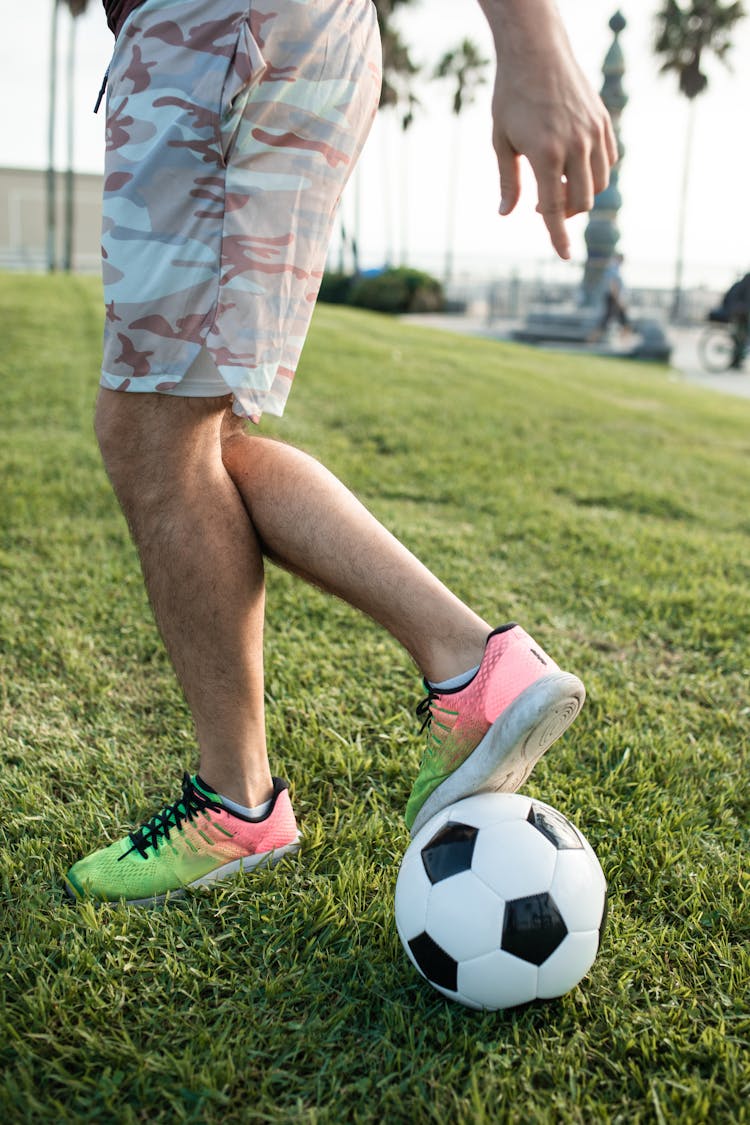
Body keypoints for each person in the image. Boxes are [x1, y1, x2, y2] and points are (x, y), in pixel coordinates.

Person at [65, 0, 618, 903]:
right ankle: (473, 667)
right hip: (241, 35)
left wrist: (530, 36)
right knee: (191, 435)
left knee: (152, 433)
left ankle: (243, 804)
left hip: (220, 31)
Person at [595, 252, 630, 340]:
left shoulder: (612, 268)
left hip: (612, 298)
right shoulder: (613, 269)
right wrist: (618, 301)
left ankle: (590, 342)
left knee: (607, 323)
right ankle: (590, 342)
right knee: (623, 323)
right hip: (613, 298)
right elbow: (613, 286)